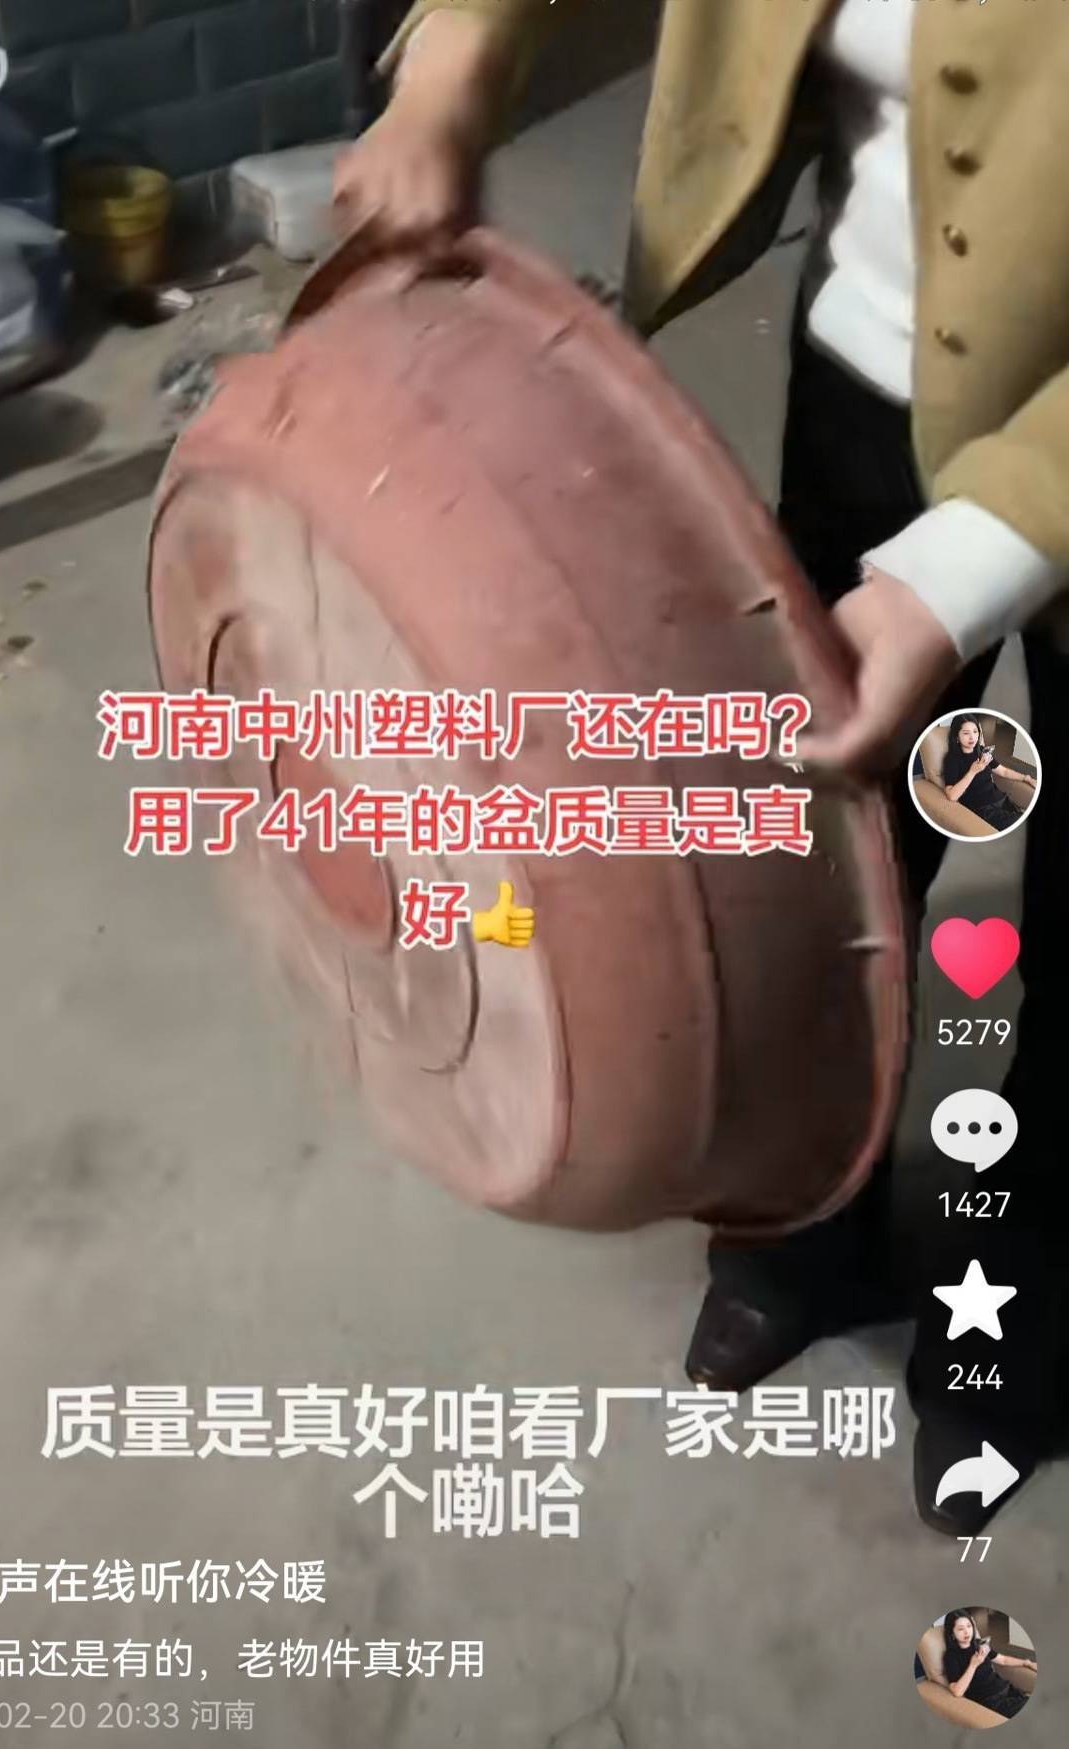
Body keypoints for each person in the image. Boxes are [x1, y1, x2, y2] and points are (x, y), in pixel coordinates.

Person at [335, 0, 1069, 1533]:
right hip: (875, 364)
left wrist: (963, 573)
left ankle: (1015, 1329)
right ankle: (798, 1233)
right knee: (811, 861)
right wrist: (457, 63)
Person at [939, 714, 1034, 834]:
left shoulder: (981, 751)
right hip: (983, 809)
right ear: (957, 736)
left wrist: (1026, 778)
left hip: (1000, 799)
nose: (972, 737)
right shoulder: (952, 759)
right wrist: (972, 771)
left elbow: (1004, 771)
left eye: (975, 732)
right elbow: (952, 795)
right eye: (966, 733)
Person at [940, 1610, 1035, 1721]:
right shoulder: (951, 1656)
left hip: (1006, 1688)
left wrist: (1026, 1663)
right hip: (991, 1701)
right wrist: (973, 1665)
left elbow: (1003, 1660)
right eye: (961, 1629)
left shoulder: (978, 1644)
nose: (967, 1632)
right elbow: (957, 1691)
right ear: (952, 1633)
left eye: (969, 1626)